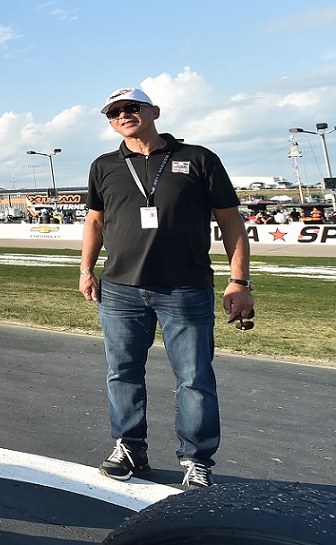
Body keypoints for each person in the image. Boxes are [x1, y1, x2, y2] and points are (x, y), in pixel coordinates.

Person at [79, 87, 255, 489]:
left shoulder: (197, 159)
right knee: (121, 373)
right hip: (121, 288)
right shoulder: (104, 165)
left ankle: (196, 459)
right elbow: (94, 222)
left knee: (194, 377)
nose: (123, 115)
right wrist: (86, 268)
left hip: (185, 288)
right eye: (114, 112)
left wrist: (239, 280)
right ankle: (129, 448)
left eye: (131, 108)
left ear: (153, 111)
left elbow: (231, 221)